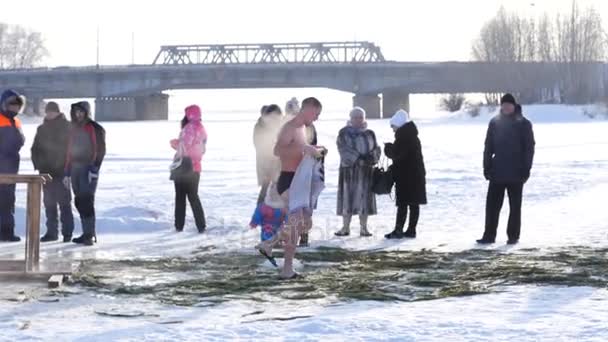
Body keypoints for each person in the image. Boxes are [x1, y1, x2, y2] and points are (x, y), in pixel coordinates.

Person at [257, 97, 325, 279]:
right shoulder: (290, 127)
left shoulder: (303, 128)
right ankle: (287, 269)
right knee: (296, 224)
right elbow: (277, 151)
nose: (317, 118)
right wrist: (304, 150)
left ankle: (269, 244)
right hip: (288, 180)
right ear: (308, 110)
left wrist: (313, 149)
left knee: (304, 223)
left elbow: (299, 148)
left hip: (299, 180)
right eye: (316, 114)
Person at [477, 94, 535, 245]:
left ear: (514, 106)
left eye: (509, 105)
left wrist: (526, 169)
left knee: (515, 207)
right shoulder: (495, 122)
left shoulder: (524, 124)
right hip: (497, 171)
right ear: (501, 106)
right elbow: (488, 147)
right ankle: (489, 235)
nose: (506, 107)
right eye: (504, 105)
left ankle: (513, 236)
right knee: (492, 207)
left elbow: (529, 149)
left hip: (517, 172)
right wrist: (487, 166)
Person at [31, 102, 74, 242]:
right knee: (49, 203)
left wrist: (68, 167)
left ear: (58, 112)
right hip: (45, 172)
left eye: (52, 112)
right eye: (48, 112)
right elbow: (35, 149)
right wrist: (38, 164)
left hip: (62, 172)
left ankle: (67, 233)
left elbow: (72, 149)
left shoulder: (68, 127)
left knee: (65, 203)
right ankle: (51, 232)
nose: (49, 114)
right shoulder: (41, 129)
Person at [334, 107, 381, 237]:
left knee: (364, 200)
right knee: (347, 199)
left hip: (366, 172)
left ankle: (364, 228)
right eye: (355, 117)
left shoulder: (370, 133)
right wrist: (357, 157)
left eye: (360, 117)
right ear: (351, 118)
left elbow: (376, 148)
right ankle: (345, 227)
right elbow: (342, 149)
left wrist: (371, 157)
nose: (358, 120)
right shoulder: (344, 133)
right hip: (348, 172)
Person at [64, 101, 106, 246]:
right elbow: (68, 150)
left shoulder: (95, 128)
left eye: (81, 111)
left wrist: (94, 169)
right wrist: (67, 171)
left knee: (87, 200)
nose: (78, 114)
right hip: (74, 168)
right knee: (79, 201)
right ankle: (86, 232)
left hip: (88, 169)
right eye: (76, 112)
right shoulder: (73, 129)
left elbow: (100, 150)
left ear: (86, 112)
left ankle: (89, 234)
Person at [384, 109, 427, 239]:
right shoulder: (412, 135)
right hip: (416, 175)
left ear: (399, 124)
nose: (392, 129)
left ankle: (398, 231)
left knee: (402, 203)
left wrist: (388, 148)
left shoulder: (403, 137)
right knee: (414, 203)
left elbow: (397, 155)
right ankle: (411, 230)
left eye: (393, 126)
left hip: (406, 177)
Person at [170, 105, 208, 233]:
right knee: (193, 196)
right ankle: (201, 225)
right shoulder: (202, 129)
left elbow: (184, 147)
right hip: (196, 166)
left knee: (180, 197)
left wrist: (174, 143)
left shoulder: (189, 128)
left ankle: (179, 225)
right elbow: (201, 149)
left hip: (184, 166)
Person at [0, 90, 25, 242]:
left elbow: (20, 141)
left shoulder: (16, 122)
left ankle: (7, 232)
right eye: (12, 105)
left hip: (11, 166)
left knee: (9, 200)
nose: (14, 108)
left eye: (17, 106)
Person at [253, 104, 283, 204]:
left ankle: (271, 213)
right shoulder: (260, 127)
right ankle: (260, 212)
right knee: (266, 189)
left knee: (274, 190)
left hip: (275, 164)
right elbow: (260, 145)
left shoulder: (275, 125)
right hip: (266, 164)